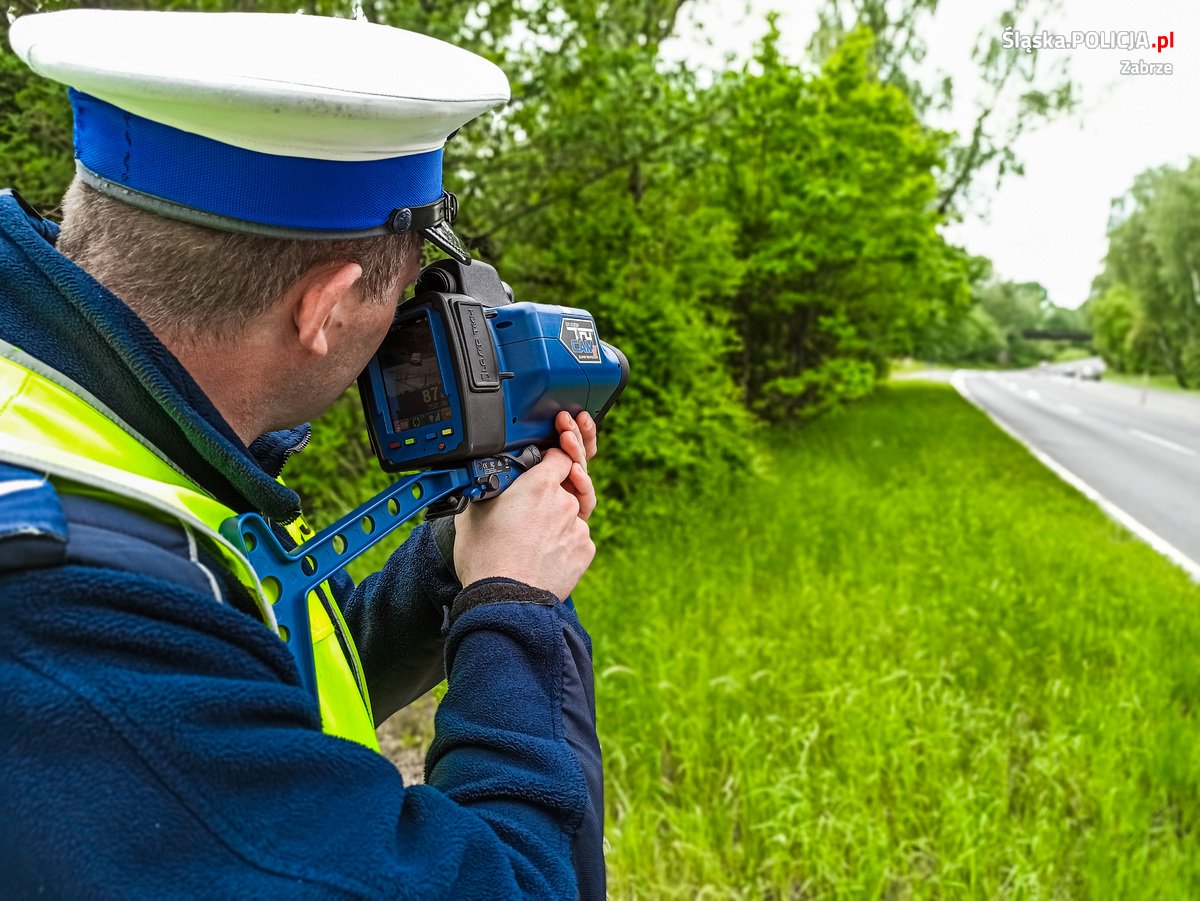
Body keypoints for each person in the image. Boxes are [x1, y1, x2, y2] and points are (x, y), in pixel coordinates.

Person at [0, 10, 604, 898]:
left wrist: (456, 565)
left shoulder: (96, 435)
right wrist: (517, 608)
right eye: (399, 295)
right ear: (326, 308)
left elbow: (235, 664)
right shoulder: (61, 606)